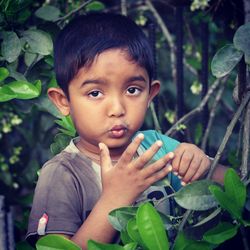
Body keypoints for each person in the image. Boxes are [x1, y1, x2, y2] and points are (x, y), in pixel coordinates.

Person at [26, 12, 226, 249]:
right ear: (63, 101)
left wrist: (200, 164)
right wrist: (115, 197)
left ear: (150, 94)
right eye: (95, 93)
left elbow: (234, 187)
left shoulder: (156, 148)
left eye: (132, 90)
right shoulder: (62, 174)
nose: (117, 109)